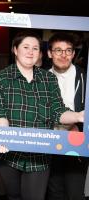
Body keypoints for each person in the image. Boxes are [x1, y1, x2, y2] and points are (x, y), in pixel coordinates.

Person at [0, 30, 84, 200]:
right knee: (13, 196)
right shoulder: (1, 78)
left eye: (35, 48)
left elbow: (58, 111)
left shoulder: (49, 79)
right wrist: (3, 138)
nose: (30, 52)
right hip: (9, 154)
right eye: (25, 47)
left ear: (40, 53)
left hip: (40, 155)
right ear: (15, 49)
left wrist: (78, 116)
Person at [46, 32, 87, 200]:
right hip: (49, 142)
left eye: (68, 50)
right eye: (58, 50)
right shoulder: (41, 78)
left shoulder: (85, 76)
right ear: (49, 53)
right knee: (54, 192)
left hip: (77, 142)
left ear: (73, 53)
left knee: (75, 192)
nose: (63, 55)